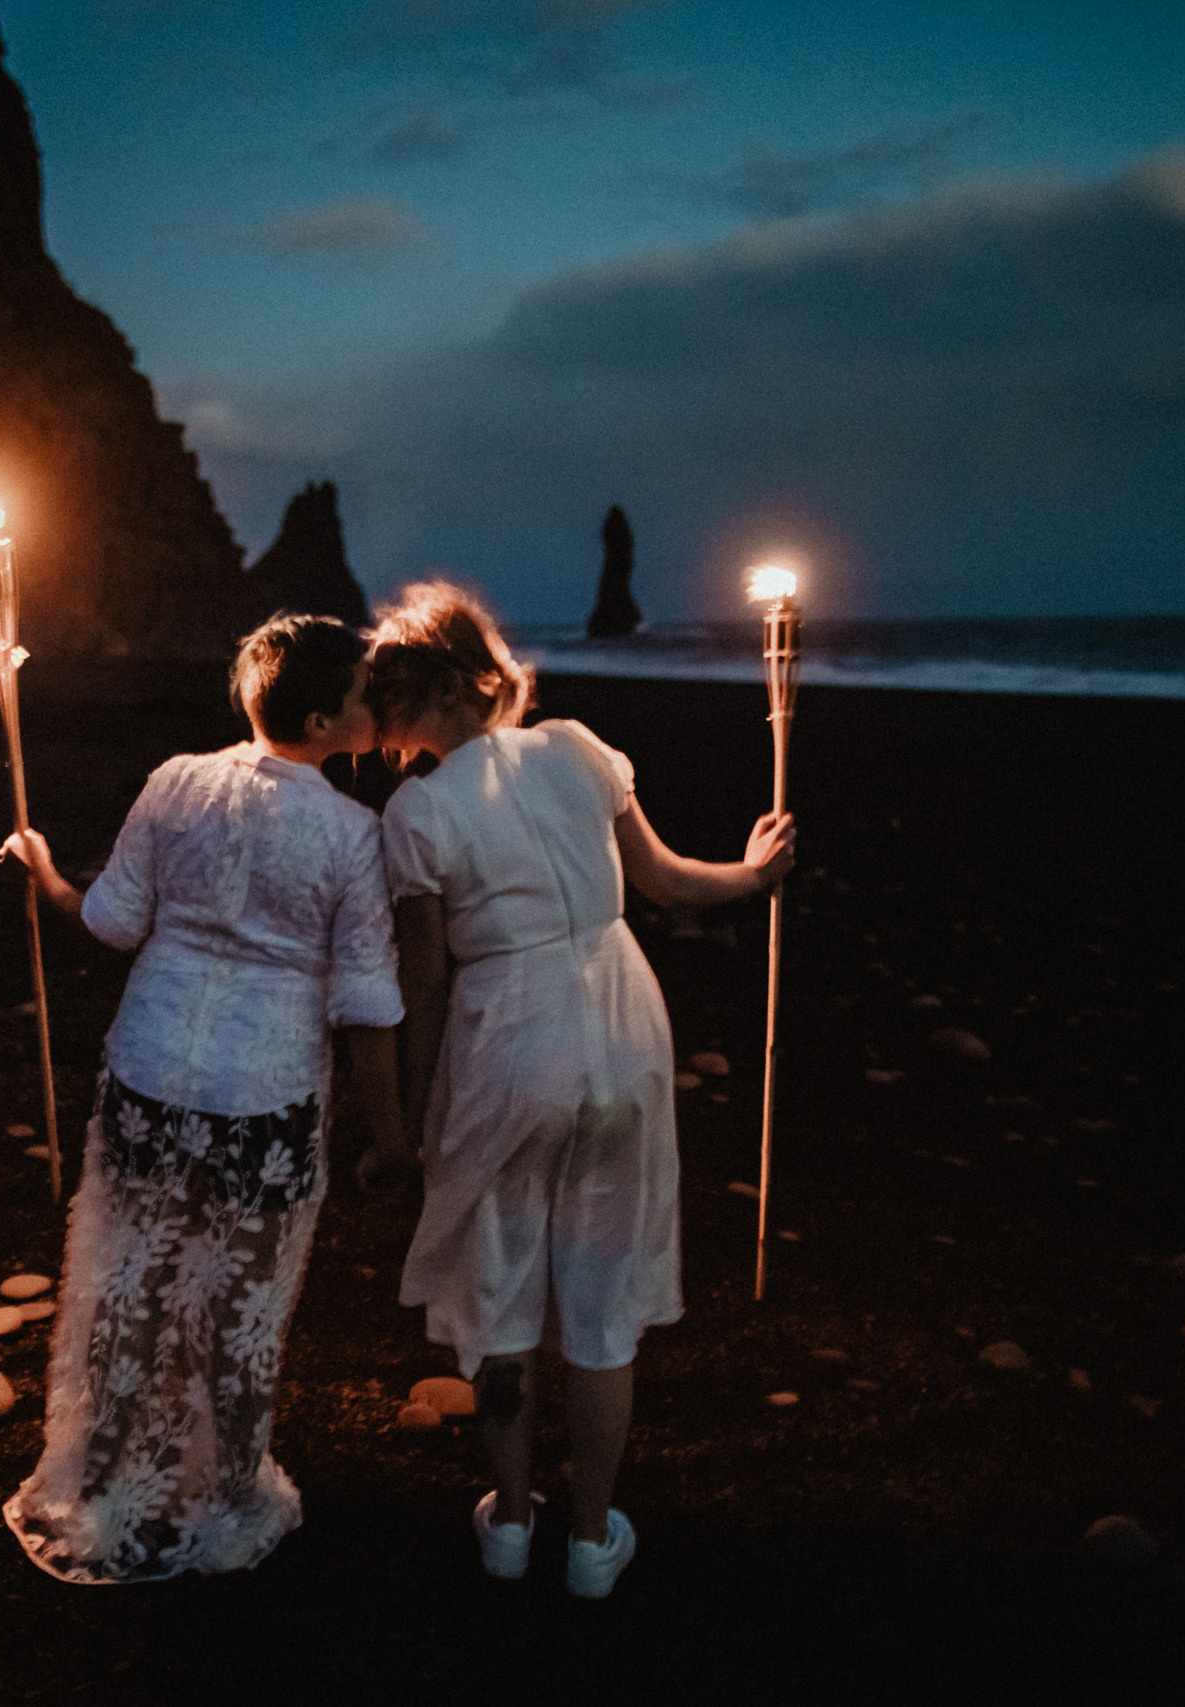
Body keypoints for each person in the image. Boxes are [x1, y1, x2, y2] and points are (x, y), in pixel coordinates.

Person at [364, 580, 792, 1599]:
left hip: (507, 1039)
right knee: (602, 1307)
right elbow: (667, 882)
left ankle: (511, 1526)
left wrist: (414, 1117)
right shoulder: (574, 748)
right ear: (486, 674)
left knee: (504, 1291)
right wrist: (754, 873)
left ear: (407, 703)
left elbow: (423, 985)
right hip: (621, 1021)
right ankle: (592, 1541)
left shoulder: (415, 813)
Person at [0, 613, 405, 1584]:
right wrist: (392, 1134)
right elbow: (365, 1001)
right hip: (258, 1093)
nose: (374, 709)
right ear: (319, 717)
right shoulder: (352, 834)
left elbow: (109, 921)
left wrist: (46, 872)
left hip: (149, 1069)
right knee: (241, 1303)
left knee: (128, 1282)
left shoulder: (175, 780)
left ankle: (99, 1483)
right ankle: (225, 1501)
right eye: (360, 696)